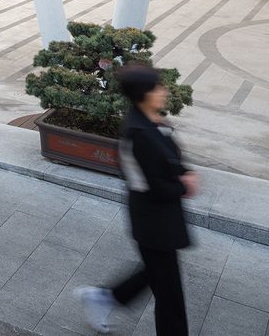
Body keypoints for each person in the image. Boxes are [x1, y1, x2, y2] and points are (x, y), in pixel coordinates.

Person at [72, 64, 194, 336]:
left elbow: (169, 162)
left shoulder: (151, 122)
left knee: (156, 274)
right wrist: (184, 184)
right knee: (170, 295)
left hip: (160, 220)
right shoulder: (138, 134)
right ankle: (105, 298)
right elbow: (155, 187)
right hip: (153, 223)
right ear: (143, 94)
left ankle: (104, 297)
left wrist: (184, 173)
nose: (164, 91)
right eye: (157, 87)